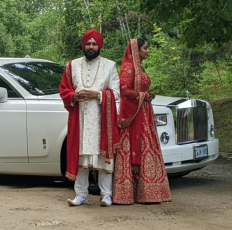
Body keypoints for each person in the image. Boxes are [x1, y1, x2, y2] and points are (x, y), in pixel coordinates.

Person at [59, 29, 120, 207]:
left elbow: (116, 93)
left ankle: (106, 195)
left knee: (104, 159)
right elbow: (64, 89)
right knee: (80, 158)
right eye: (88, 44)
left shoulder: (110, 65)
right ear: (83, 45)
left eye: (94, 44)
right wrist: (74, 96)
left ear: (99, 46)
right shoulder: (72, 65)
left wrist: (98, 95)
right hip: (81, 120)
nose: (91, 47)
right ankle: (81, 194)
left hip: (102, 120)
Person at [113, 38, 171, 204]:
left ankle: (148, 190)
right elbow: (124, 90)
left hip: (144, 112)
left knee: (146, 146)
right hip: (134, 114)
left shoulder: (140, 68)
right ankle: (127, 193)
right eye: (145, 48)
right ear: (136, 50)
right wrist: (143, 96)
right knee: (135, 148)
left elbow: (139, 88)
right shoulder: (129, 68)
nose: (148, 51)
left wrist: (148, 94)